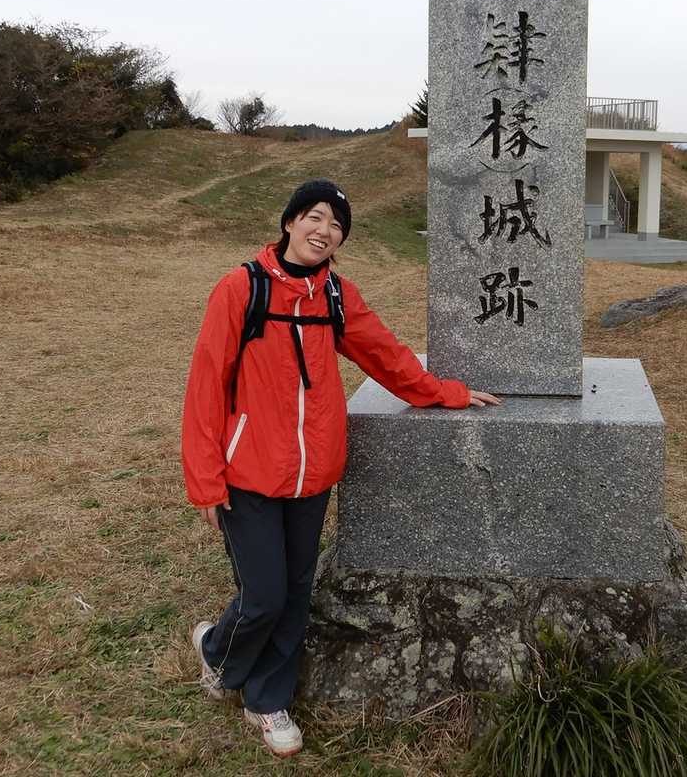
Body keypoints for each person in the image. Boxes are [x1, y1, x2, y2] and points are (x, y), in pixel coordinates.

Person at [181, 178, 499, 757]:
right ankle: (217, 653)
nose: (324, 231)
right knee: (264, 595)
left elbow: (387, 356)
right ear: (290, 222)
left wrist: (445, 393)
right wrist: (205, 478)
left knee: (295, 594)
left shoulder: (336, 296)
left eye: (336, 226)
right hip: (249, 473)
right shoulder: (241, 289)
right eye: (315, 217)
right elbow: (206, 384)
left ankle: (267, 699)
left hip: (314, 473)